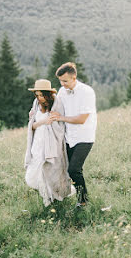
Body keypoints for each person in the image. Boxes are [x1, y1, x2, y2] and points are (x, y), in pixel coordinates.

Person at [50, 62, 97, 207]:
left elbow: (82, 119)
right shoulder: (62, 91)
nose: (62, 84)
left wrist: (61, 118)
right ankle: (70, 196)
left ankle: (83, 201)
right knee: (69, 171)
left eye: (65, 81)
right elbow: (55, 108)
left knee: (74, 169)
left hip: (84, 137)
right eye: (60, 81)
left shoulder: (87, 92)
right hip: (68, 137)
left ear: (74, 77)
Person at [24, 79, 74, 206]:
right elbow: (32, 126)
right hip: (38, 142)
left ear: (47, 94)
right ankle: (45, 194)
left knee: (52, 169)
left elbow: (61, 126)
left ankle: (55, 196)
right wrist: (44, 121)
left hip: (52, 142)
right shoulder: (35, 104)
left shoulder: (56, 104)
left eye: (41, 95)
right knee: (35, 170)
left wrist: (55, 119)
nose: (39, 98)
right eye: (37, 95)